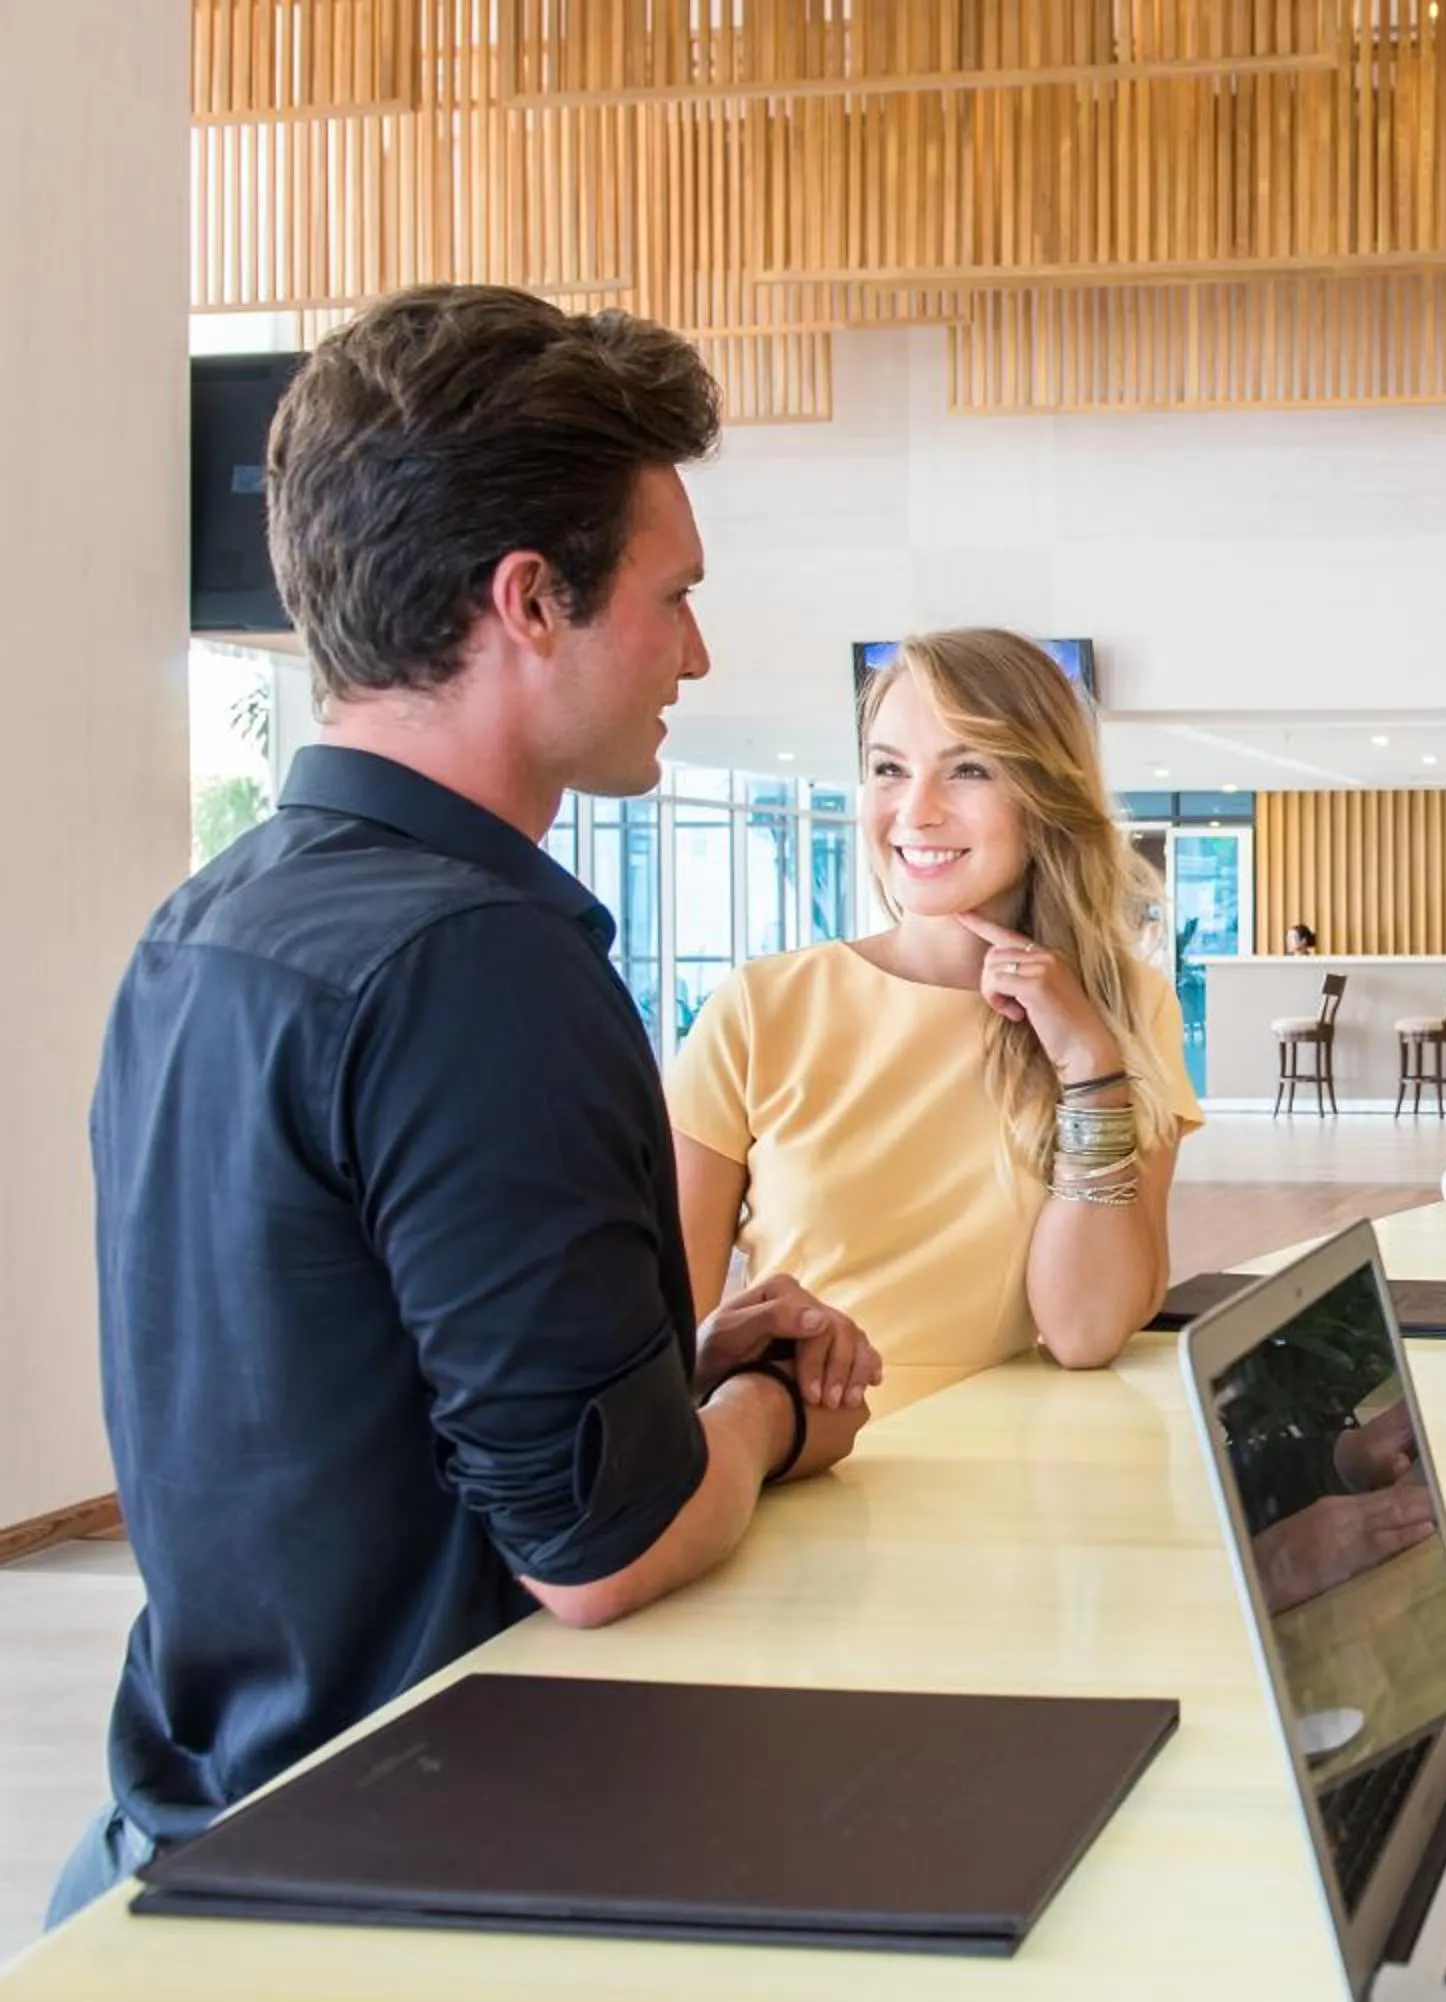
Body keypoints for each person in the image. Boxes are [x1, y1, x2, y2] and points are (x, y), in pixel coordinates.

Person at [54, 287, 871, 1929]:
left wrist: (659, 1376)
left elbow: (328, 1404)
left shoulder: (204, 924)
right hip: (423, 1857)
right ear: (531, 600)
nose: (698, 653)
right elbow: (597, 1557)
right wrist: (778, 1408)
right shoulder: (478, 960)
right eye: (674, 599)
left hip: (199, 1826)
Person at [668, 630, 1202, 1409]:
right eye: (889, 769)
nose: (914, 812)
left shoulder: (1124, 1010)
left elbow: (1084, 1331)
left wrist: (1090, 1067)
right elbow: (662, 1335)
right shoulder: (761, 1008)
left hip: (1024, 1472)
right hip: (801, 1467)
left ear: (1045, 794)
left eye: (969, 770)